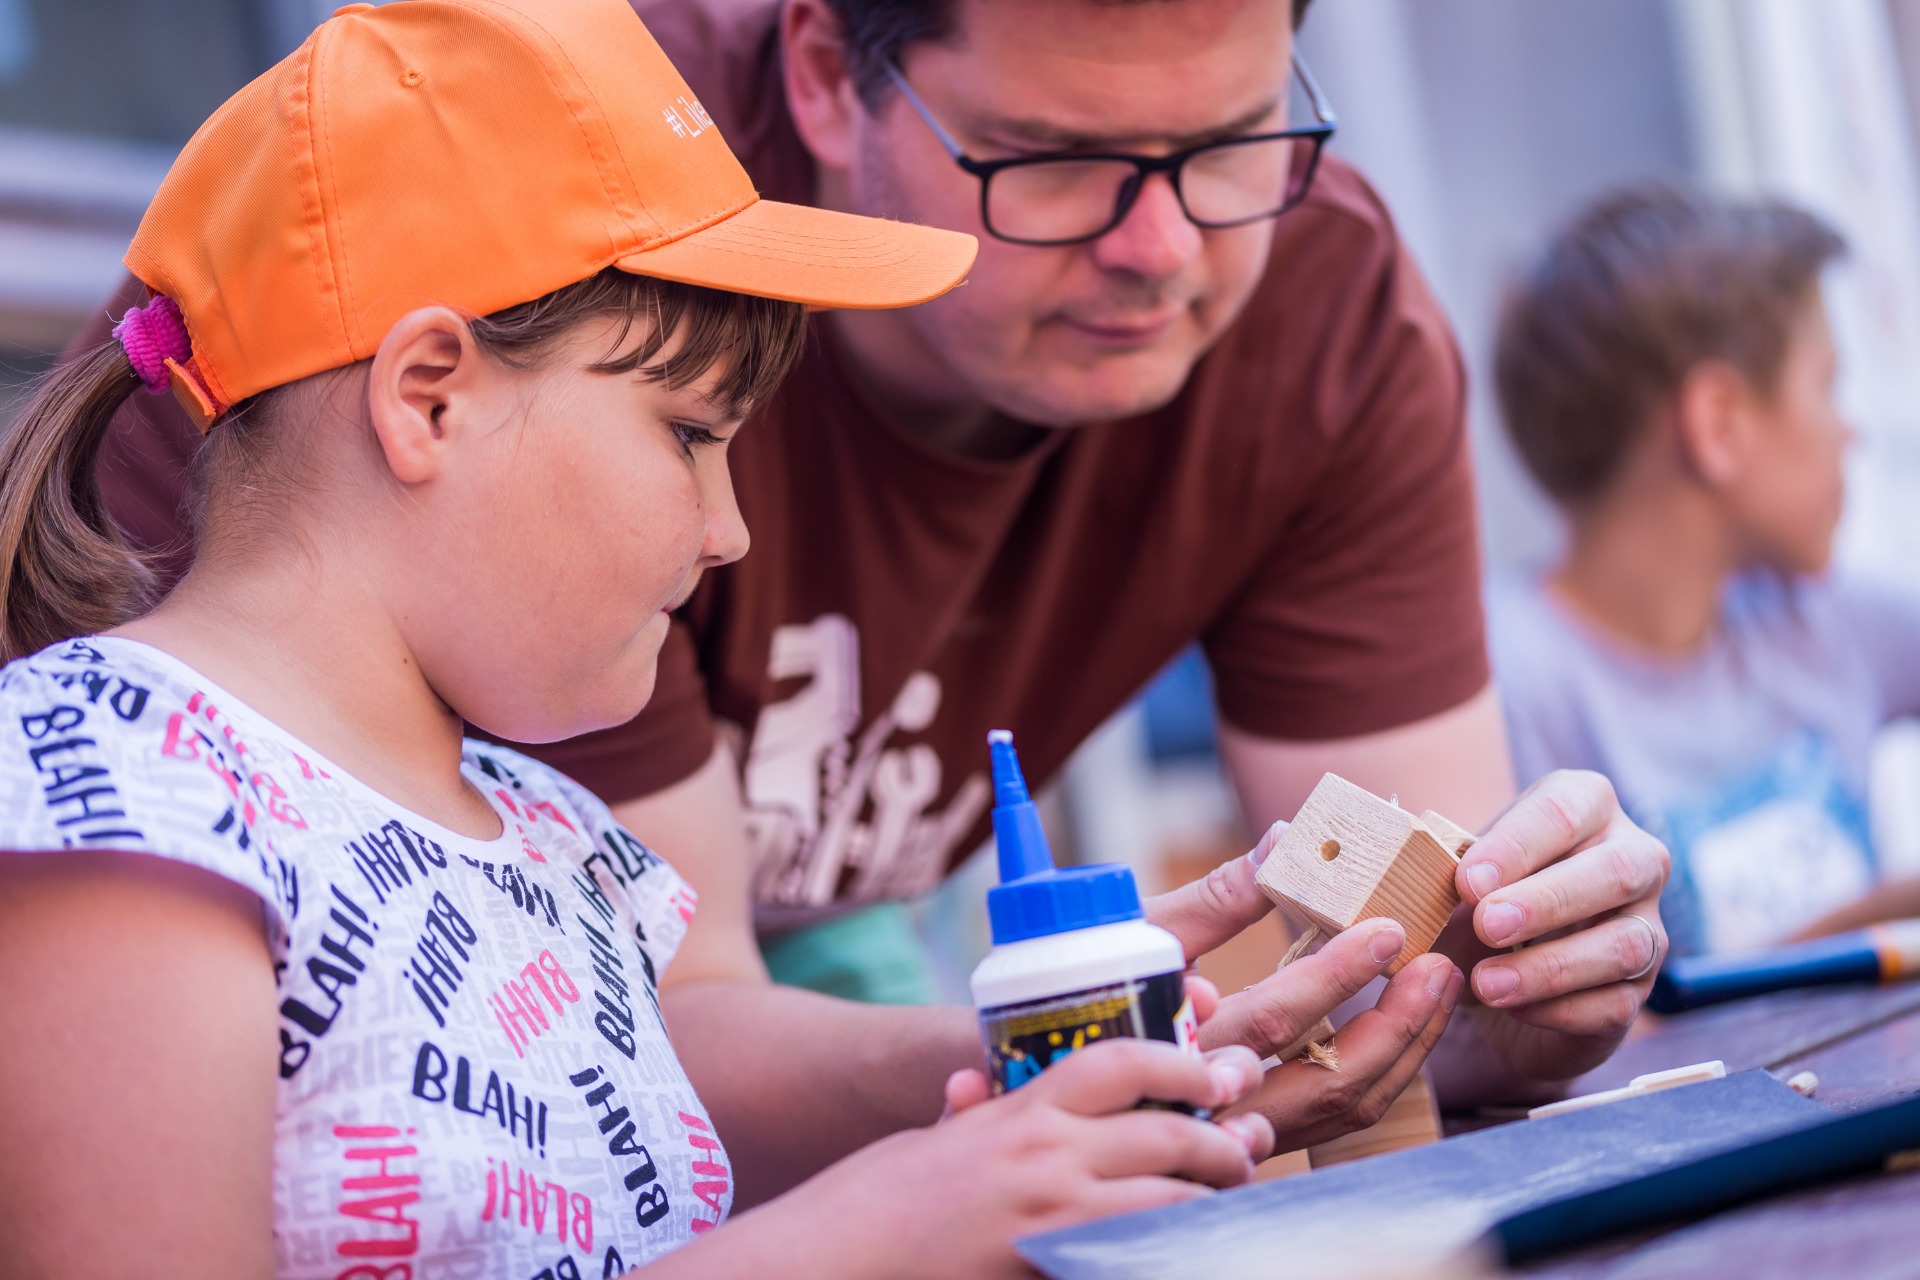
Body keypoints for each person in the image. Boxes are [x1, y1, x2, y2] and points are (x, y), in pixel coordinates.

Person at [83, 0, 1671, 1201]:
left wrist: (1499, 985)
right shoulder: (576, 226)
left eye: (1235, 142)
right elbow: (674, 1041)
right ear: (826, 72)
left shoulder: (1324, 314)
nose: (1160, 245)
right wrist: (1020, 1103)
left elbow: (1399, 945)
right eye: (1055, 161)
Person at [0, 2, 1285, 1276]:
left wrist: (1020, 1083)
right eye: (689, 435)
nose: (731, 532)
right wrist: (877, 1230)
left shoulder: (563, 841)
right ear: (429, 399)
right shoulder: (115, 794)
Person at [1489, 185, 1920, 959]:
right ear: (1718, 423)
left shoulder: (1820, 614)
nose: (1849, 432)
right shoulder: (1512, 687)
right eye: (1827, 386)